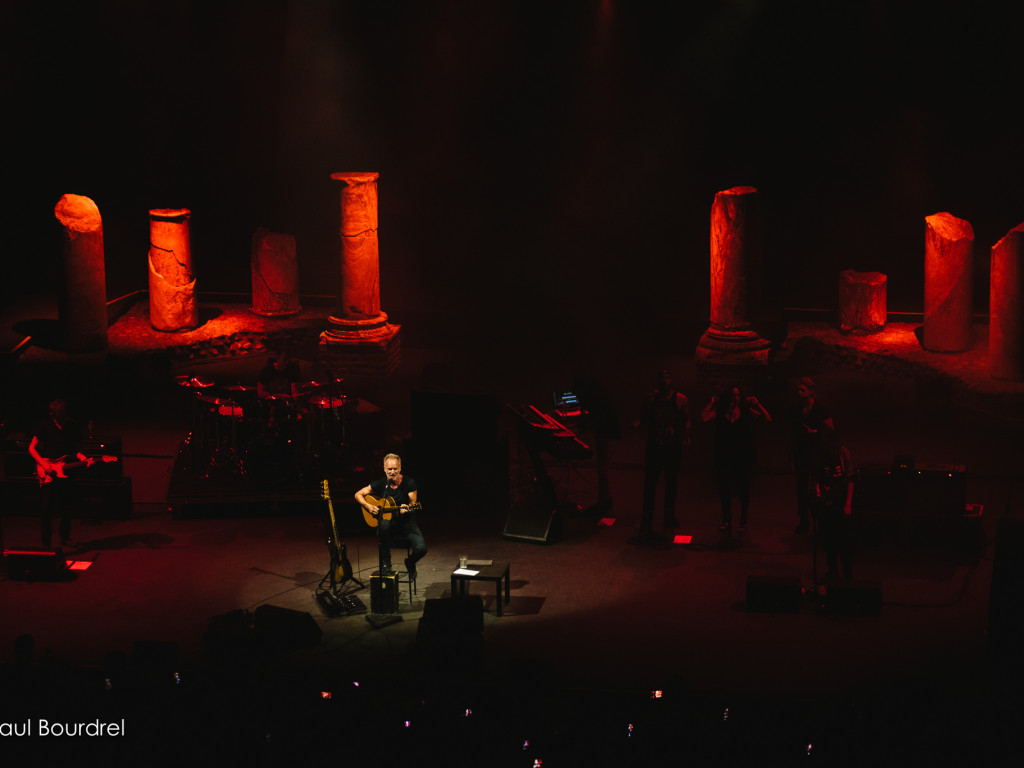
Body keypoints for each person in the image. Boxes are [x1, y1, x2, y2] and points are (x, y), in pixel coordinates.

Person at [700, 384, 771, 532]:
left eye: (738, 395)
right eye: (733, 395)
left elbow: (767, 419)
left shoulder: (745, 411)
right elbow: (704, 417)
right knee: (724, 488)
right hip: (724, 455)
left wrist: (758, 405)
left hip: (742, 455)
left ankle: (743, 518)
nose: (735, 398)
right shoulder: (720, 412)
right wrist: (712, 402)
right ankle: (726, 517)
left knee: (743, 488)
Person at [635, 369, 691, 543]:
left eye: (668, 378)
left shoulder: (680, 399)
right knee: (650, 483)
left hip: (672, 447)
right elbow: (644, 420)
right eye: (662, 378)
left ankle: (669, 515)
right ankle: (647, 517)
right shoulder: (651, 399)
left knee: (671, 482)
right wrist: (637, 424)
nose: (665, 381)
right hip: (654, 446)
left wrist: (685, 434)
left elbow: (686, 419)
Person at [28, 399, 91, 548]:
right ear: (52, 414)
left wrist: (83, 458)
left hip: (66, 469)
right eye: (59, 414)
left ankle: (65, 536)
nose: (62, 417)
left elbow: (75, 449)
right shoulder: (45, 426)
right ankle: (46, 543)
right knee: (46, 508)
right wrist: (43, 464)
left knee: (67, 505)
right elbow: (31, 448)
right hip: (48, 470)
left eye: (64, 413)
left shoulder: (73, 426)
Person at [354, 453, 427, 578]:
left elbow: (413, 503)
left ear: (400, 468)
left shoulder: (410, 483)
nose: (392, 472)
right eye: (389, 469)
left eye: (395, 469)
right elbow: (358, 494)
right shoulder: (381, 484)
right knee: (384, 525)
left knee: (421, 549)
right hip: (389, 525)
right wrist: (369, 506)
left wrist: (408, 508)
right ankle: (386, 564)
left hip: (406, 523)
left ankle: (410, 562)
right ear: (384, 469)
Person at [789, 377, 834, 533]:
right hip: (801, 453)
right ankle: (804, 519)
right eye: (798, 390)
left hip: (816, 452)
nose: (799, 392)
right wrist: (792, 456)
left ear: (811, 392)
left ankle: (821, 519)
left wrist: (815, 433)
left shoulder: (820, 408)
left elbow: (830, 430)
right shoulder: (796, 409)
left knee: (818, 486)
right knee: (801, 488)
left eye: (803, 390)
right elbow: (792, 433)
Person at [812, 425, 855, 581]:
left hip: (840, 504)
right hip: (826, 505)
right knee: (828, 541)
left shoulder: (842, 453)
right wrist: (818, 495)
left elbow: (850, 480)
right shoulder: (820, 455)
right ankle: (833, 571)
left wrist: (848, 504)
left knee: (843, 543)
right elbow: (817, 478)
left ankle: (848, 575)